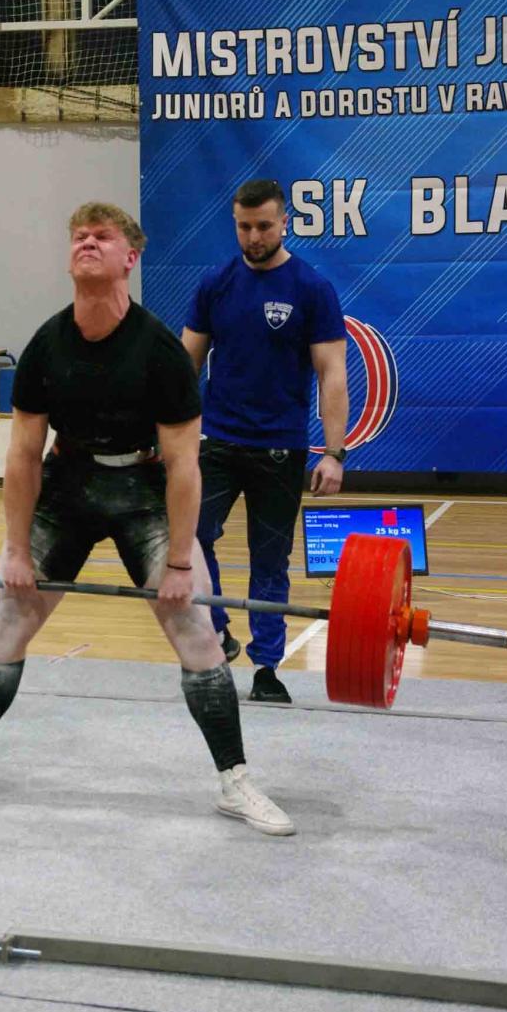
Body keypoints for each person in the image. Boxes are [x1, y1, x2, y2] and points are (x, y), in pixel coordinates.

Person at [0, 201, 294, 837]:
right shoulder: (47, 346)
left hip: (144, 491)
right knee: (7, 617)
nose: (87, 243)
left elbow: (184, 468)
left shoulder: (161, 352)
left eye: (102, 236)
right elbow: (23, 456)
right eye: (78, 236)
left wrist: (180, 563)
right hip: (69, 485)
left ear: (131, 256)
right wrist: (16, 550)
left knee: (194, 625)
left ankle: (235, 782)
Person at [182, 179, 348, 704]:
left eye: (263, 226)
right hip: (218, 441)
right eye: (244, 226)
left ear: (284, 223)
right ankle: (218, 631)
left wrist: (334, 453)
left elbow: (333, 374)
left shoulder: (312, 288)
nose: (253, 236)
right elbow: (184, 365)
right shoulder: (215, 283)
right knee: (190, 538)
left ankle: (267, 668)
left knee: (270, 562)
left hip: (280, 448)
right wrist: (164, 435)